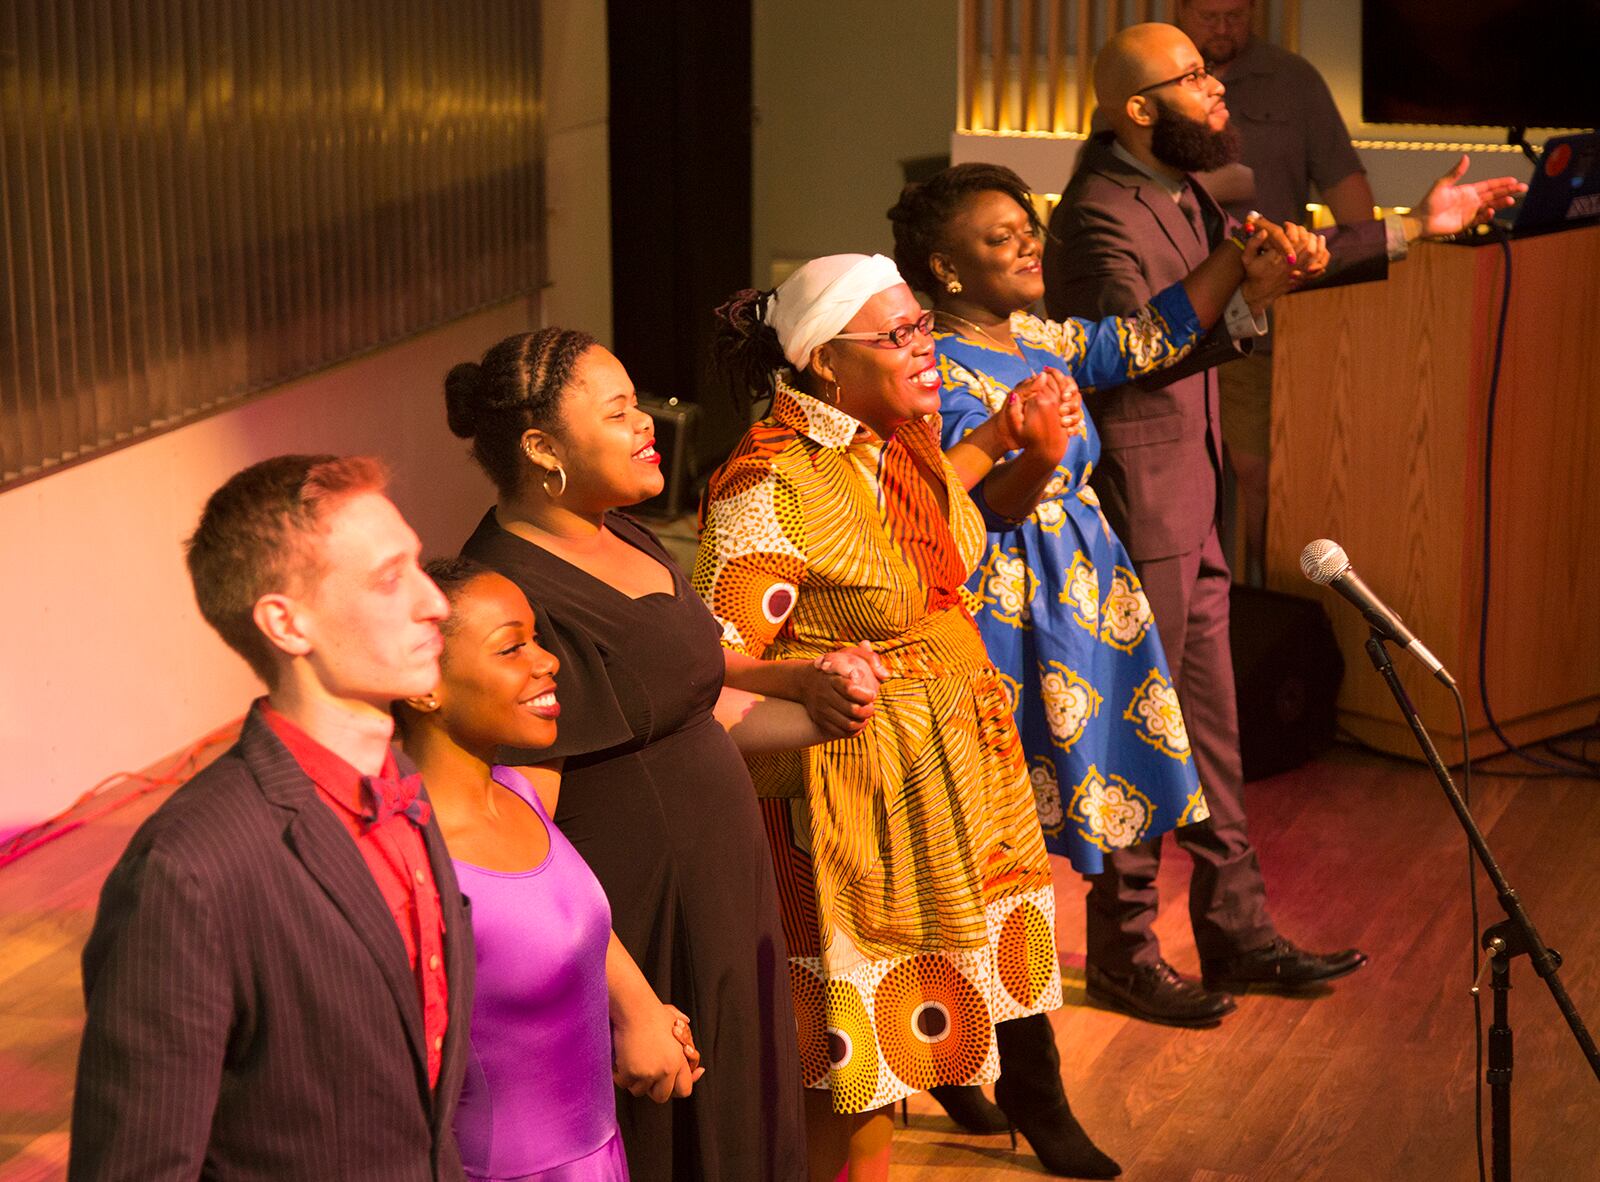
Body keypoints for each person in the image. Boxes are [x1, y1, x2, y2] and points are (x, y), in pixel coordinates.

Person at [1043, 23, 1523, 1028]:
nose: (1218, 91)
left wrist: (1416, 227)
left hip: (1190, 496)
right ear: (1138, 110)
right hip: (1140, 507)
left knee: (1212, 731)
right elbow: (1124, 354)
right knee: (1145, 734)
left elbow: (1267, 262)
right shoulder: (1097, 216)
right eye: (1191, 81)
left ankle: (1237, 930)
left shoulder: (1179, 184)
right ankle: (1125, 948)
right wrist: (1243, 302)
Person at [879, 161, 1307, 1127]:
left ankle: (1051, 1006)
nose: (1031, 243)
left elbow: (1144, 334)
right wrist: (1029, 451)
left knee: (1099, 788)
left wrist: (1237, 259)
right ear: (946, 271)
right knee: (995, 839)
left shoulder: (1037, 335)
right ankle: (961, 1045)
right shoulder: (934, 369)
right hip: (1003, 599)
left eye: (1029, 228)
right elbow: (979, 503)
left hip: (1084, 588)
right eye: (1002, 237)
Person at [700, 253, 1122, 1181]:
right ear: (823, 363)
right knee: (854, 1052)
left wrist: (1008, 440)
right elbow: (709, 660)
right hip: (858, 786)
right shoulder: (771, 482)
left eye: (923, 325)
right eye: (896, 336)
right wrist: (813, 677)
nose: (925, 347)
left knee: (917, 1031)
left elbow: (922, 529)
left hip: (948, 761)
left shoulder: (902, 439)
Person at [445, 329, 876, 1182]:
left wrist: (807, 699)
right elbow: (521, 834)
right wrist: (633, 1005)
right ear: (542, 449)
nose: (647, 423)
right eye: (617, 412)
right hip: (639, 925)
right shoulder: (513, 593)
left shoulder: (628, 536)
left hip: (722, 901)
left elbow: (687, 704)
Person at [70, 454, 475, 1181]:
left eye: (418, 566)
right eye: (390, 580)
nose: (434, 602)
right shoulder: (189, 870)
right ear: (286, 624)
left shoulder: (401, 782)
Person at [398, 557, 711, 1181]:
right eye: (512, 647)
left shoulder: (520, 792)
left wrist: (639, 1010)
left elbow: (567, 926)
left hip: (601, 1158)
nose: (547, 661)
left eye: (538, 640)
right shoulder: (413, 857)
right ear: (423, 685)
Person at [1174, 0, 1378, 583]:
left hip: (1263, 322)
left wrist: (1370, 253)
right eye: (1209, 15)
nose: (1223, 28)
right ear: (1180, 10)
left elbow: (1351, 201)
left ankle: (1261, 603)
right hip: (1174, 315)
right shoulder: (1151, 76)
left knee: (1264, 475)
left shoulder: (1293, 81)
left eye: (1236, 14)